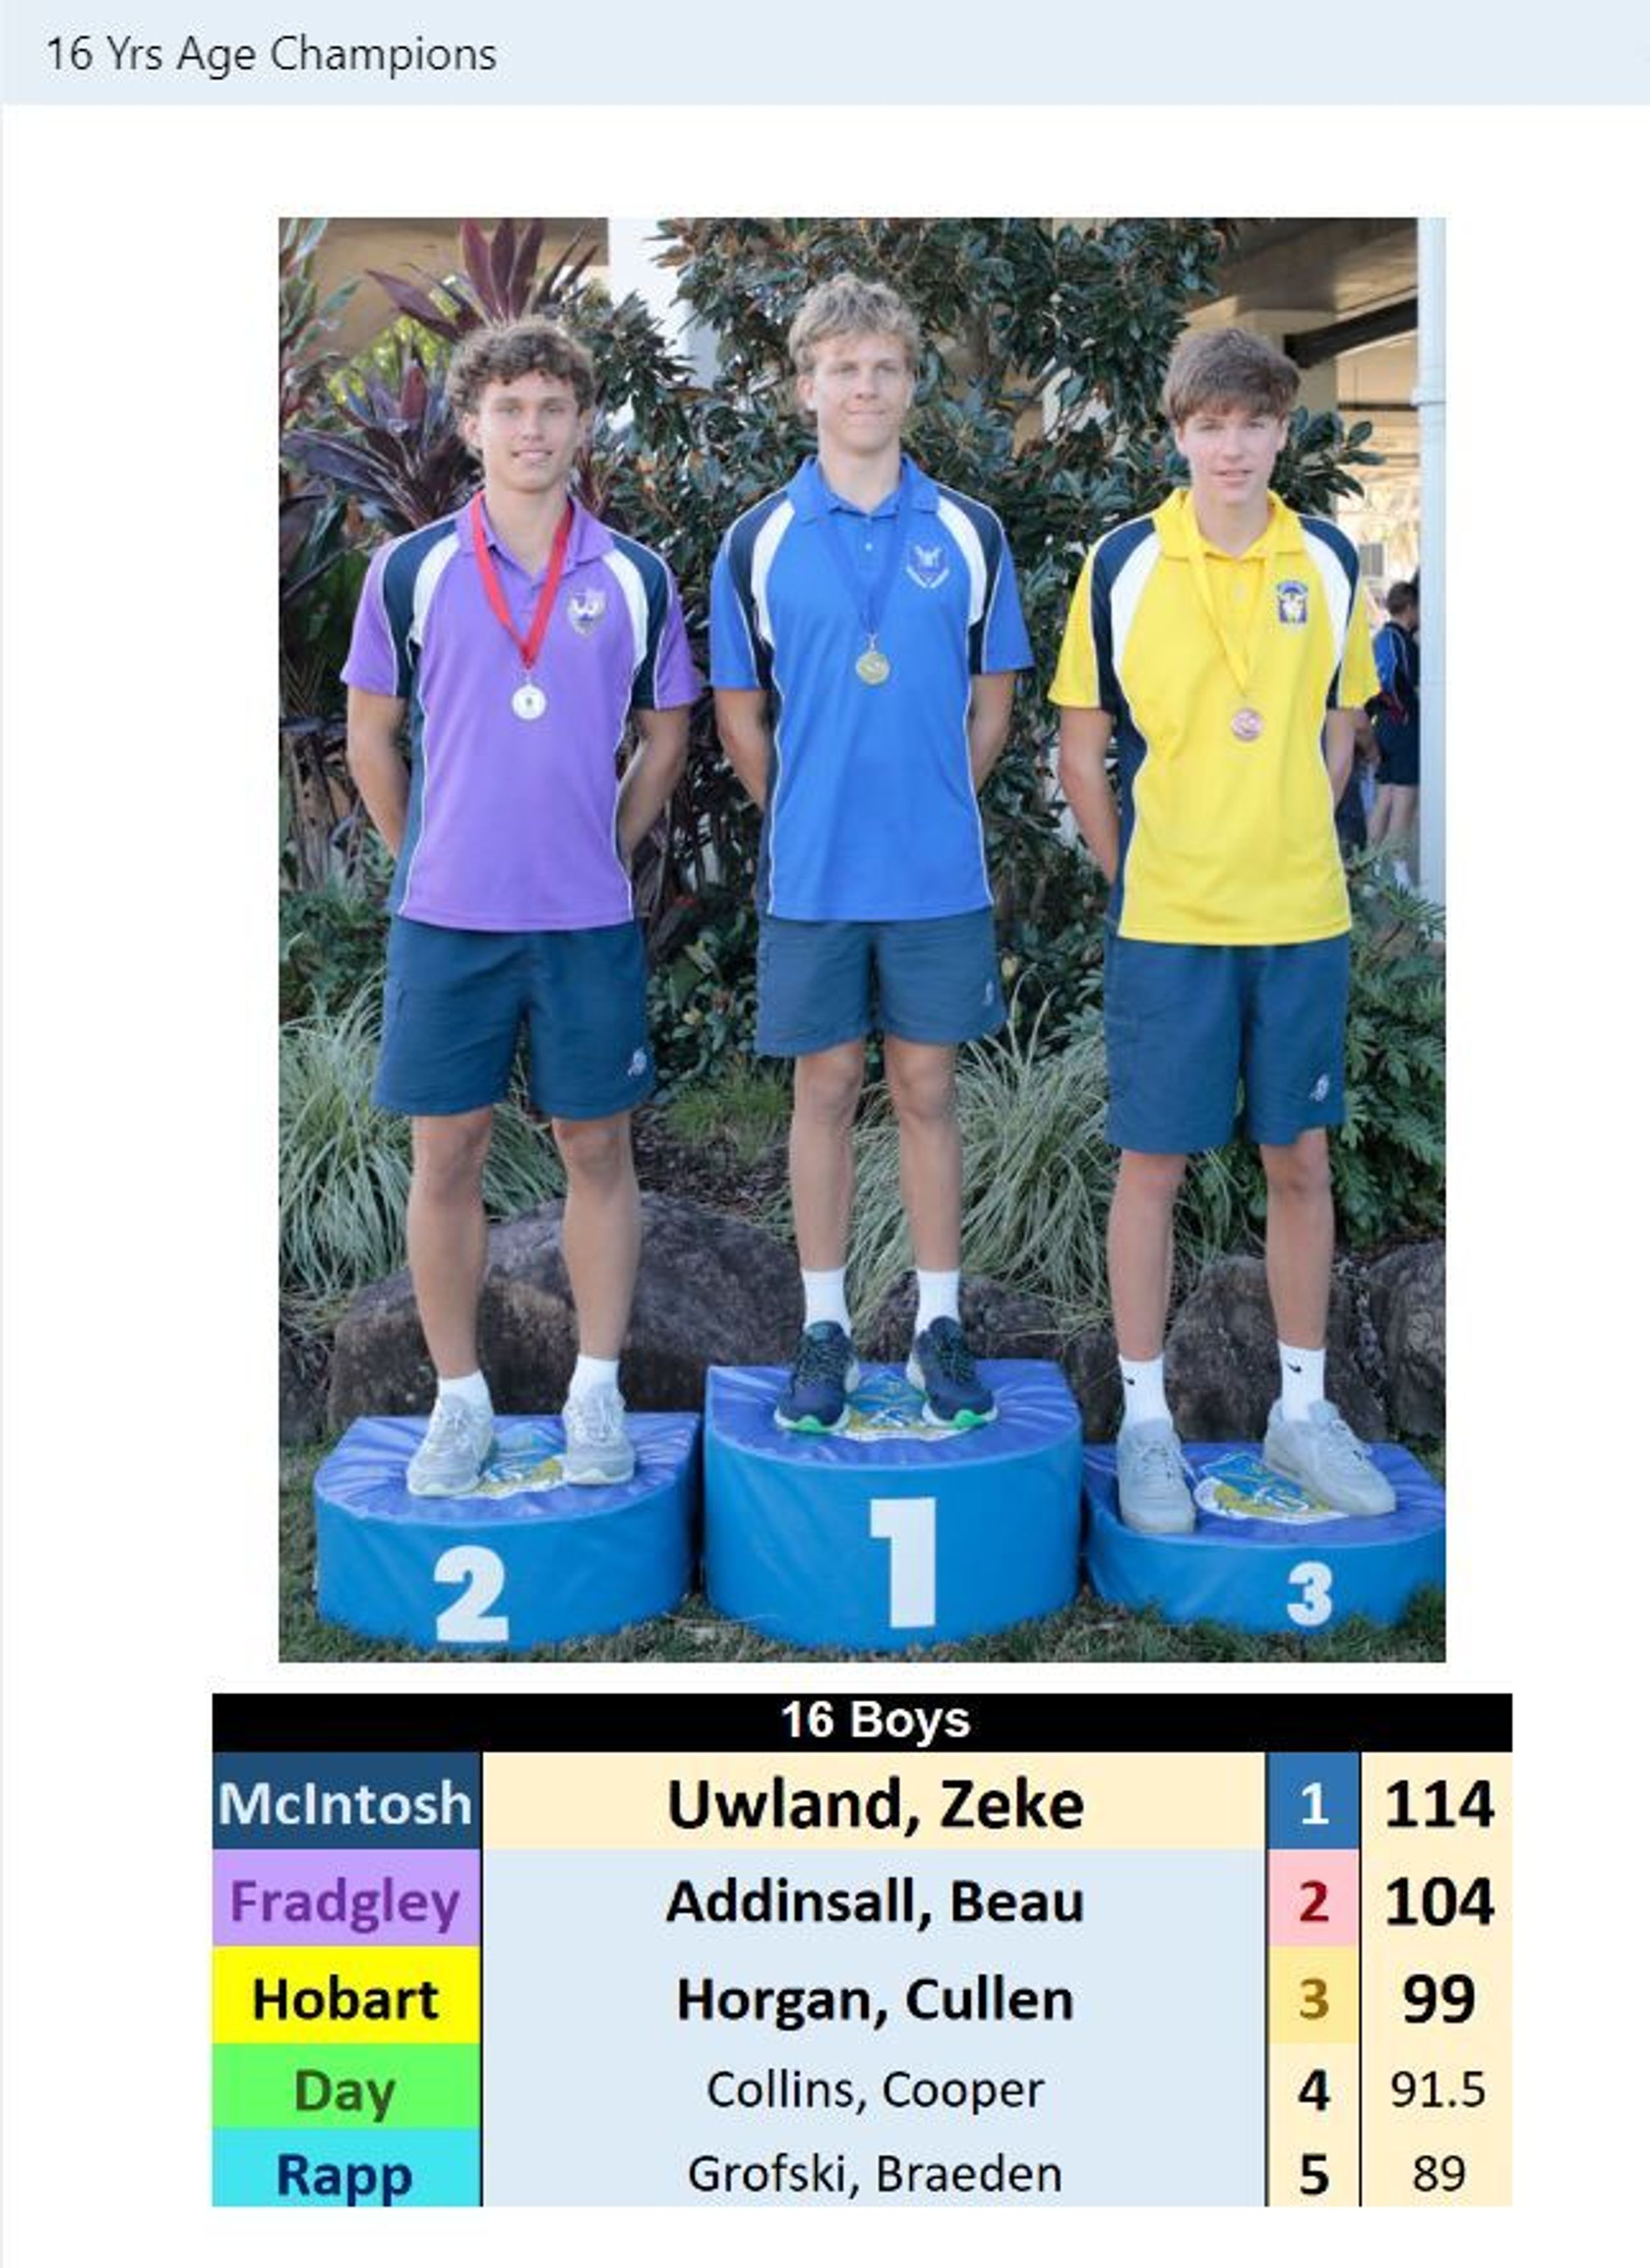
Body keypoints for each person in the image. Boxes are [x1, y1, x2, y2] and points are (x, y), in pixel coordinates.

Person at [343, 317, 700, 1494]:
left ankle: (596, 1389)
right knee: (446, 1152)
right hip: (448, 922)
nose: (532, 429)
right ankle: (459, 1401)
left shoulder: (636, 576)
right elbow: (370, 735)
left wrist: (610, 845)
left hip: (584, 920)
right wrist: (422, 852)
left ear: (583, 424)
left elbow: (666, 736)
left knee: (597, 1146)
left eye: (553, 408)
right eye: (509, 409)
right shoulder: (411, 571)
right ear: (470, 426)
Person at [1052, 325, 1396, 1532]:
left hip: (1300, 914)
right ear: (1179, 435)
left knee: (1299, 1160)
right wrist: (1141, 874)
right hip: (1171, 921)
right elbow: (1082, 752)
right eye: (1211, 425)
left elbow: (1341, 728)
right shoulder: (1124, 561)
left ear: (1283, 431)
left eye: (1255, 422)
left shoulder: (1331, 558)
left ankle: (1301, 1409)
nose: (1234, 446)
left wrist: (1284, 829)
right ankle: (1147, 1420)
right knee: (1153, 1165)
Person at [711, 275, 1032, 1433]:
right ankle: (825, 1328)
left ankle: (939, 1323)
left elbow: (992, 707)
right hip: (814, 875)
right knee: (827, 1085)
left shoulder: (969, 531)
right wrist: (806, 811)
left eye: (885, 367)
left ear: (911, 384)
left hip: (935, 875)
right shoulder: (759, 538)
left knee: (928, 1087)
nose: (865, 386)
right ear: (805, 387)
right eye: (842, 368)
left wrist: (934, 802)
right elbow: (740, 715)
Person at [1367, 578, 1420, 880]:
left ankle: (1371, 871)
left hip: (1384, 726)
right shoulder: (1404, 642)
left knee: (1384, 799)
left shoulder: (1380, 639)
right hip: (1405, 726)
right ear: (1410, 607)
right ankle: (1400, 876)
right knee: (1404, 800)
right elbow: (1410, 686)